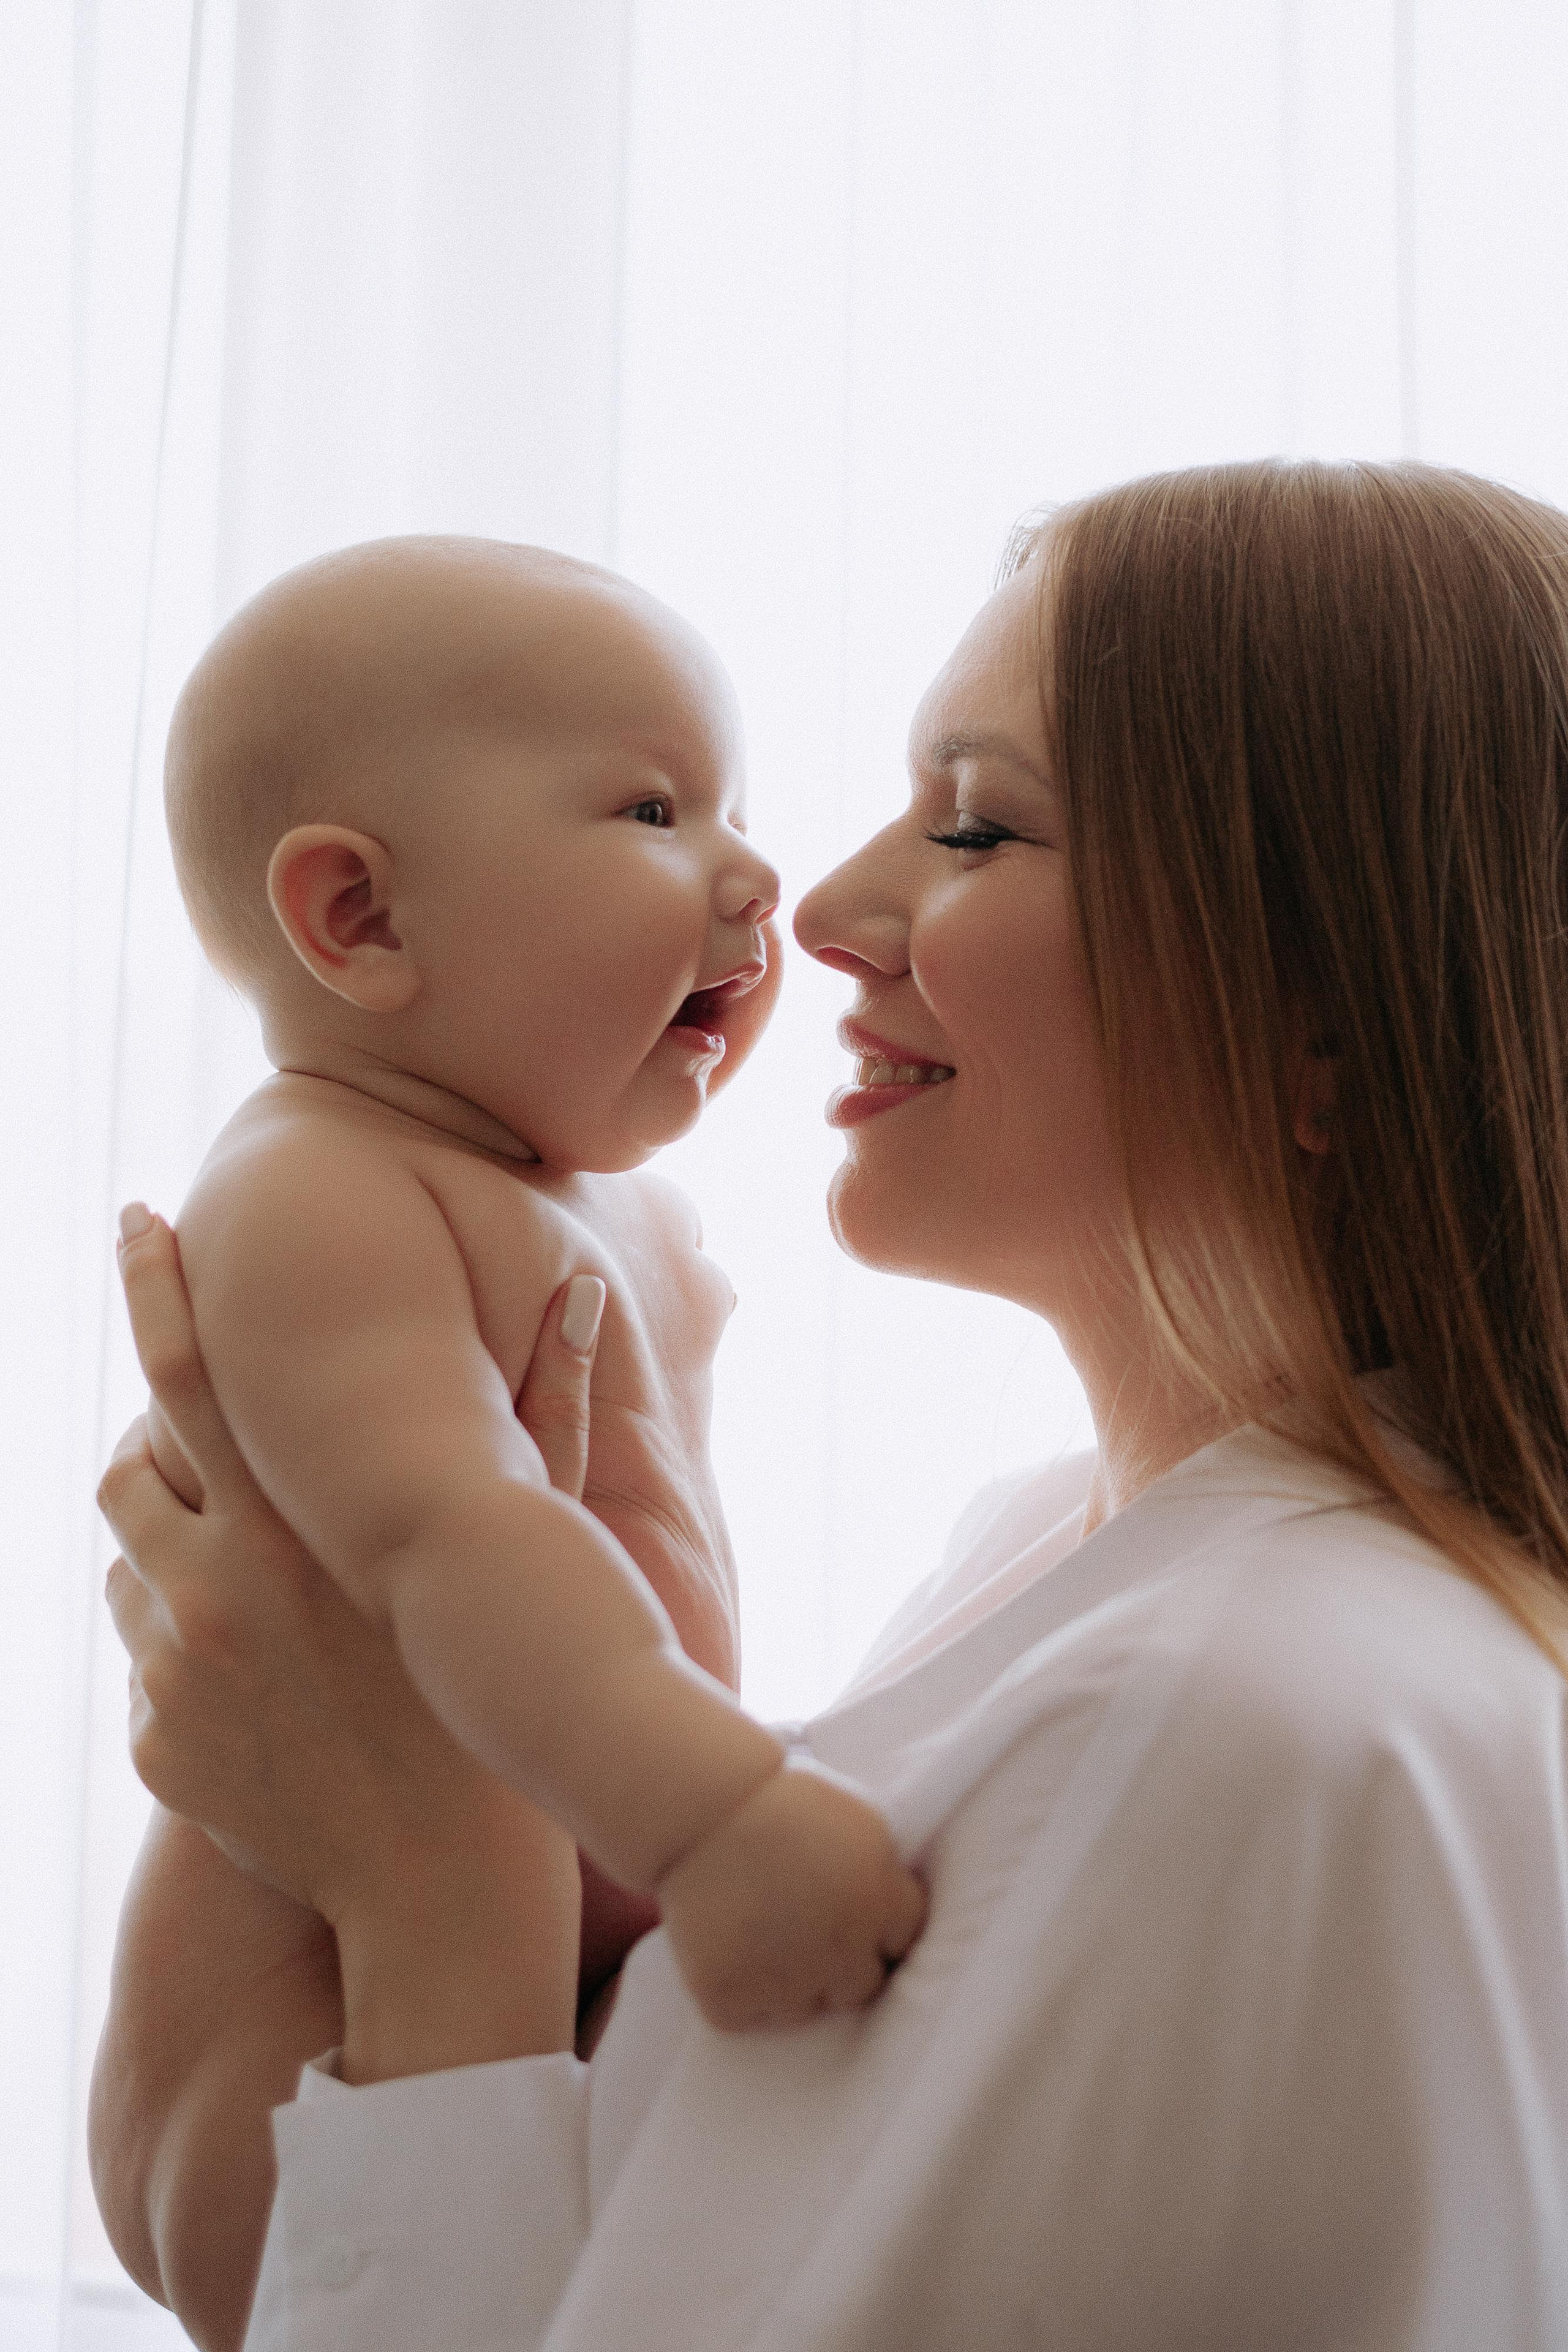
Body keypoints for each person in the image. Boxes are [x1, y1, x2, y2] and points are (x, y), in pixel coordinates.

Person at [95, 459, 1568, 2351]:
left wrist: (433, 1893)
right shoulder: (1057, 1547)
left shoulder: (1241, 1724)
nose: (829, 907)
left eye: (977, 832)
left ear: (1326, 1032)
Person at [126, 537, 924, 2041]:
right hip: (292, 2041)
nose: (758, 874)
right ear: (360, 919)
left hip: (545, 1956)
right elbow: (454, 1534)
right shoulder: (321, 1192)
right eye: (652, 810)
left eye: (733, 810)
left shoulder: (610, 1207)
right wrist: (715, 1821)